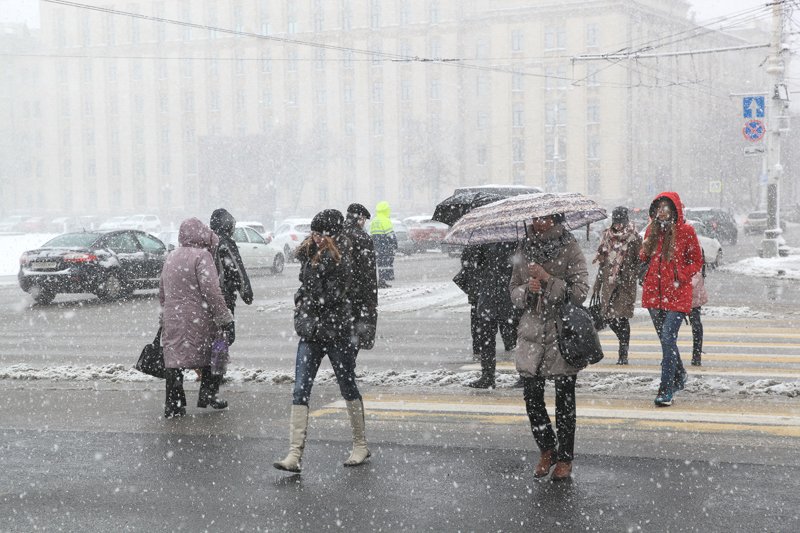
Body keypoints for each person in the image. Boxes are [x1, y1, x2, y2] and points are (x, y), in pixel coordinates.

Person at [274, 209, 371, 473]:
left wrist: (311, 301)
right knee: (300, 389)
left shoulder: (343, 258)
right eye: (313, 233)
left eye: (321, 234)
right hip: (311, 334)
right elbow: (307, 290)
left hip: (337, 334)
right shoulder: (310, 255)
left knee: (347, 386)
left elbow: (334, 297)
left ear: (332, 235)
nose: (315, 238)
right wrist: (300, 301)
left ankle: (360, 445)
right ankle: (294, 455)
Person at [509, 213, 589, 481]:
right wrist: (527, 290)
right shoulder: (523, 247)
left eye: (543, 218)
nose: (537, 222)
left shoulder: (570, 247)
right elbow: (512, 290)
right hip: (532, 333)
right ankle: (547, 449)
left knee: (565, 398)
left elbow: (580, 292)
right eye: (534, 218)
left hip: (561, 332)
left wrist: (547, 278)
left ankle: (565, 457)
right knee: (531, 396)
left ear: (555, 219)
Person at [159, 218, 235, 418]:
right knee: (217, 350)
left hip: (173, 317)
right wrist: (224, 316)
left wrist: (164, 315)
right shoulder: (202, 256)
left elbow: (162, 291)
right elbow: (211, 289)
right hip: (199, 317)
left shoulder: (171, 256)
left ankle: (173, 403)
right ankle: (210, 393)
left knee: (175, 360)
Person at [639, 192, 703, 407]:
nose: (662, 211)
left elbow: (697, 260)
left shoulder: (686, 231)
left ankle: (666, 389)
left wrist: (681, 275)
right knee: (666, 342)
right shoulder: (652, 230)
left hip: (677, 294)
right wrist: (644, 247)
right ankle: (680, 373)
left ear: (675, 210)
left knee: (668, 338)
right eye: (659, 208)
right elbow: (644, 256)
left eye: (667, 207)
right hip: (653, 293)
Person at [591, 206, 642, 365]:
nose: (618, 224)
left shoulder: (634, 237)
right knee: (610, 318)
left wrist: (630, 273)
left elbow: (640, 261)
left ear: (626, 220)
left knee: (622, 317)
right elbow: (602, 261)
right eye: (616, 220)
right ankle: (623, 344)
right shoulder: (607, 235)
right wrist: (597, 285)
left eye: (621, 220)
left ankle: (623, 352)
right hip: (608, 284)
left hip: (625, 285)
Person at [466, 241, 519, 389]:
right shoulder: (485, 239)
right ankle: (488, 375)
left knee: (516, 339)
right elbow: (472, 262)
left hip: (508, 295)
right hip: (491, 294)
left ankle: (523, 375)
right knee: (487, 338)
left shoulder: (516, 239)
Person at [342, 203, 378, 352]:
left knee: (342, 334)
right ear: (361, 219)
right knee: (357, 334)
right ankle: (348, 368)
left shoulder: (338, 234)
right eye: (364, 220)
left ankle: (343, 367)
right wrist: (371, 300)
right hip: (359, 294)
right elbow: (368, 272)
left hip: (340, 294)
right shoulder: (362, 238)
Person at [209, 208, 254, 315]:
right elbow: (237, 270)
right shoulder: (225, 243)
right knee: (227, 329)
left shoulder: (208, 241)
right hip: (224, 297)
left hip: (208, 298)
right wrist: (247, 294)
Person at [370, 201, 398, 288]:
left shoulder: (374, 221)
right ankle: (383, 281)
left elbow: (371, 235)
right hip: (385, 246)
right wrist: (395, 244)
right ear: (385, 210)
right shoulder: (385, 220)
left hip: (376, 247)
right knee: (386, 264)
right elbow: (390, 235)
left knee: (380, 264)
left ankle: (381, 281)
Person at [689, 255, 708, 366]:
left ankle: (696, 354)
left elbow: (698, 270)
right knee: (696, 325)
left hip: (691, 294)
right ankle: (696, 354)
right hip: (685, 292)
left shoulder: (694, 244)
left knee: (696, 325)